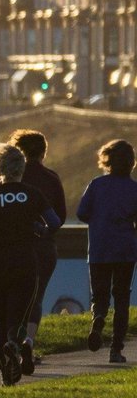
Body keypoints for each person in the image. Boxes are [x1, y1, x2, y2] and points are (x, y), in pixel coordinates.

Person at [0, 143, 62, 385]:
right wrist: (41, 230)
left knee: (0, 320)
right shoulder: (33, 194)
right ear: (22, 169)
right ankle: (15, 344)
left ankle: (5, 375)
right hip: (25, 260)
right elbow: (55, 221)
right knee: (19, 317)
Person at [9, 129, 67, 371]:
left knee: (13, 295)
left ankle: (11, 342)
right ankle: (29, 341)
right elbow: (61, 216)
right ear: (43, 151)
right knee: (37, 295)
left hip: (12, 247)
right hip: (43, 247)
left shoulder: (10, 177)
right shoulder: (51, 178)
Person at [76, 139, 137, 362]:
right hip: (125, 250)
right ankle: (116, 349)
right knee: (122, 299)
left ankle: (99, 316)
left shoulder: (96, 184)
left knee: (99, 295)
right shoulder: (134, 189)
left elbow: (82, 213)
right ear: (131, 163)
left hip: (99, 248)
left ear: (106, 159)